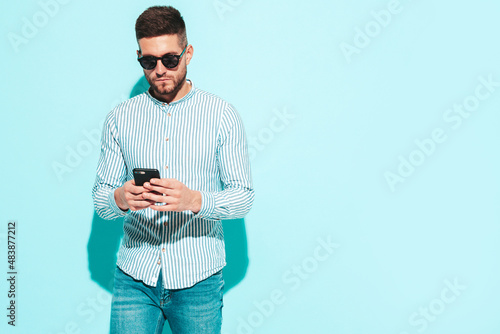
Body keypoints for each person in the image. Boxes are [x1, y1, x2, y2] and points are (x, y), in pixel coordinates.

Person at [91, 6, 254, 333]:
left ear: (188, 53)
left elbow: (244, 197)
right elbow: (100, 200)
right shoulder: (120, 118)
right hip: (134, 277)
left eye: (170, 59)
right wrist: (120, 197)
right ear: (139, 57)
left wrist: (195, 201)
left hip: (199, 279)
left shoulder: (221, 115)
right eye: (149, 62)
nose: (159, 70)